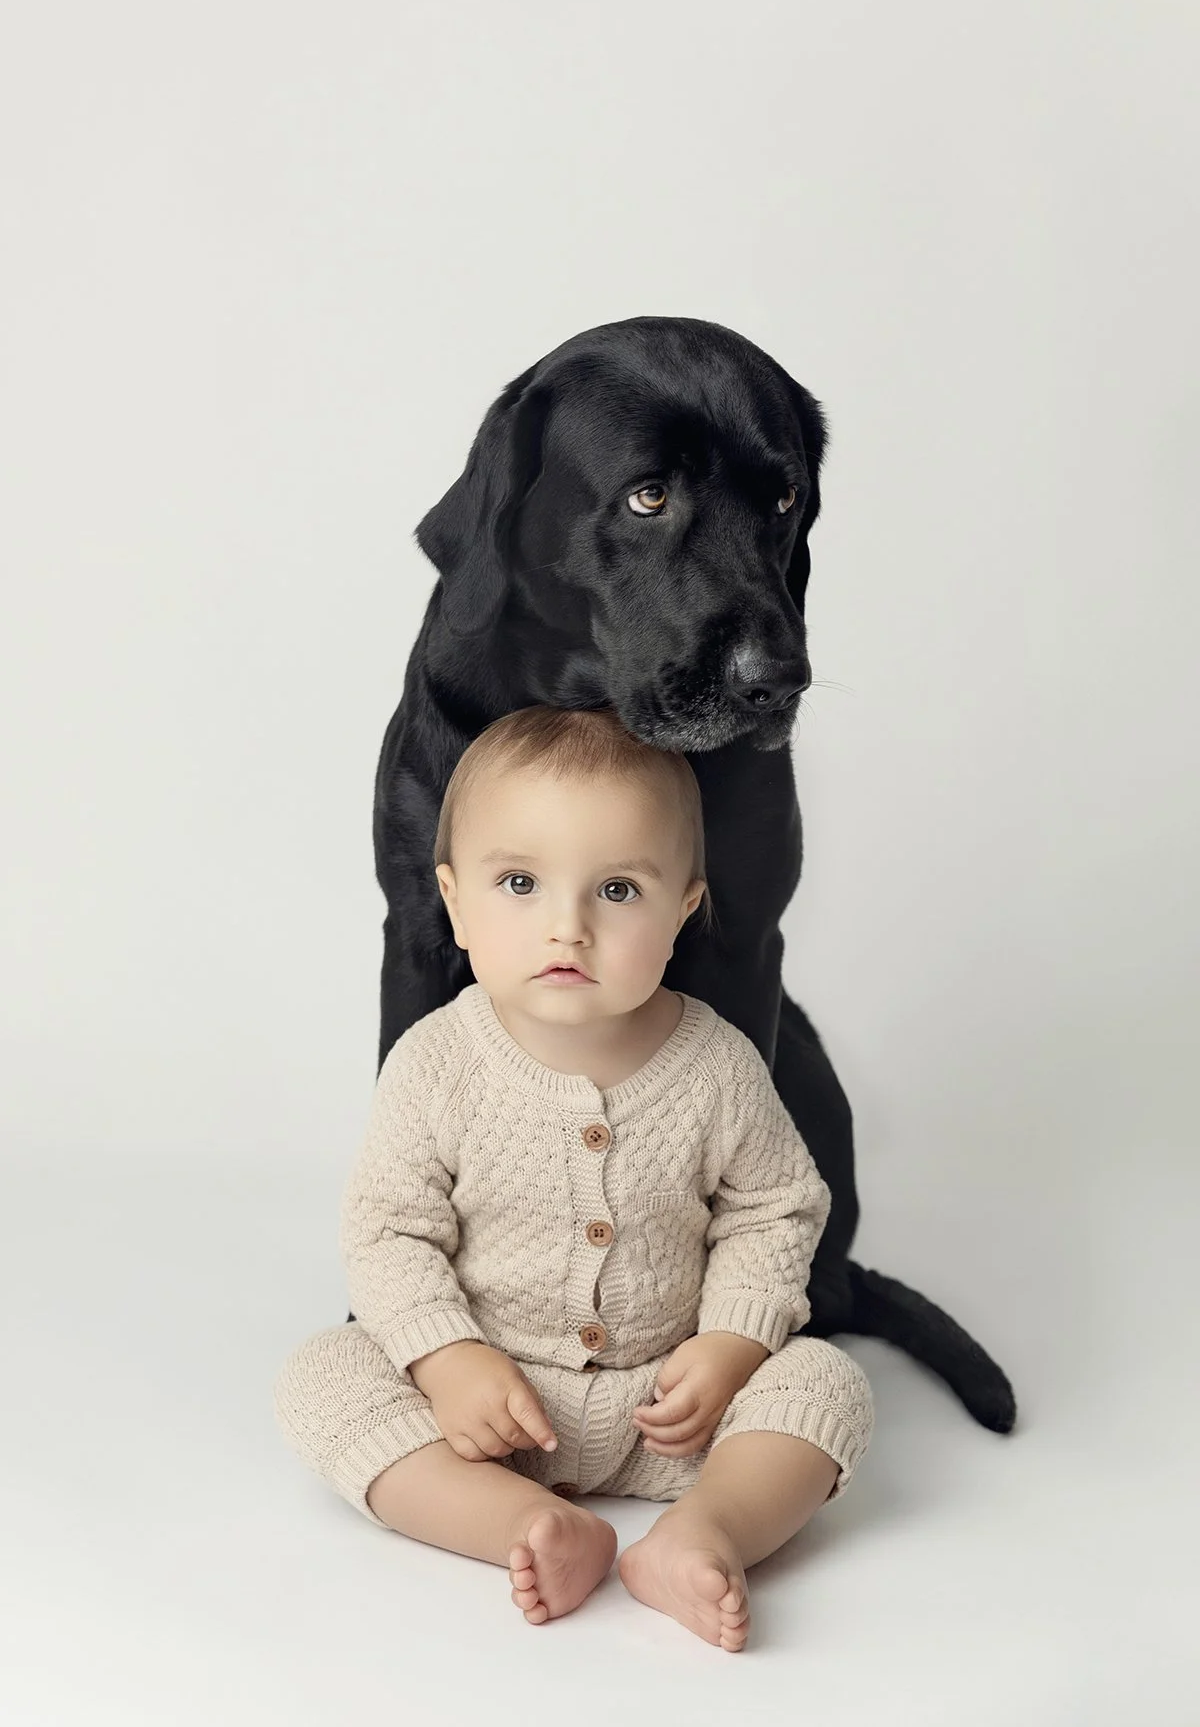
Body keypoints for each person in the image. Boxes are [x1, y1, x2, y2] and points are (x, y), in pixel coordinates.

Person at [274, 704, 873, 1651]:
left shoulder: (716, 1067)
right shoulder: (438, 1064)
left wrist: (731, 1346)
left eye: (619, 891)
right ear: (455, 901)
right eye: (519, 882)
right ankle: (520, 1524)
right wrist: (447, 1359)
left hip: (672, 1415)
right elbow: (389, 1232)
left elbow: (774, 1210)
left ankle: (703, 1531)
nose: (569, 926)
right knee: (322, 1375)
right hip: (488, 1414)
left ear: (684, 907)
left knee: (827, 1383)